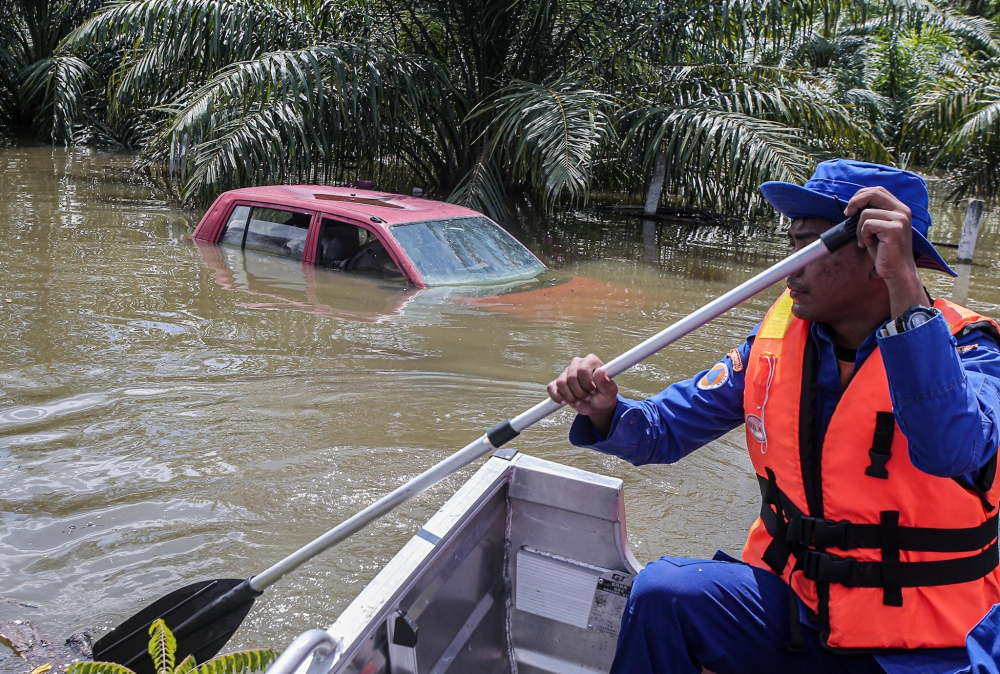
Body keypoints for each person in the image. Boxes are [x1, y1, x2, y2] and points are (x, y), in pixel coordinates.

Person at [547, 160, 1000, 674]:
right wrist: (605, 407)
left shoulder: (973, 353)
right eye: (792, 246)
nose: (790, 268)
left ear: (879, 252)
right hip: (799, 613)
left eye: (809, 247)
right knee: (665, 594)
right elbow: (663, 430)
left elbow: (950, 449)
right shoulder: (778, 343)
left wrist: (904, 291)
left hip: (925, 649)